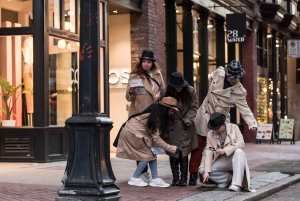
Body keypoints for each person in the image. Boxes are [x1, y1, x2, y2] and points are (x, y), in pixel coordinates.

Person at [190, 60, 257, 185]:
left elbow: (245, 109)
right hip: (205, 114)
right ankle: (193, 174)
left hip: (220, 121)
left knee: (219, 148)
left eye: (236, 77)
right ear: (226, 73)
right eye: (231, 76)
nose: (233, 79)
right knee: (198, 146)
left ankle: (218, 175)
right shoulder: (219, 73)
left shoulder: (239, 91)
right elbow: (211, 77)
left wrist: (251, 123)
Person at [116, 97, 181, 188]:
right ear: (166, 109)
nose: (172, 113)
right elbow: (156, 139)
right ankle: (134, 177)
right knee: (146, 156)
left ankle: (155, 179)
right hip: (132, 134)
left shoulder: (155, 113)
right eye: (172, 110)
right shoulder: (156, 118)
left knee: (152, 154)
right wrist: (172, 148)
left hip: (133, 133)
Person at [125, 50, 165, 183]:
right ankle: (142, 173)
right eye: (144, 62)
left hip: (154, 113)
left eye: (148, 62)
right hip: (139, 113)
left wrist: (160, 95)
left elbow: (164, 90)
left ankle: (150, 175)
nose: (146, 64)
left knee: (152, 143)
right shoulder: (135, 76)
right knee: (141, 144)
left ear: (152, 63)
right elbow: (128, 98)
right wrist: (130, 91)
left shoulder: (158, 74)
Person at [199, 112, 254, 192]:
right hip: (222, 160)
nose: (216, 130)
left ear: (223, 124)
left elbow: (241, 143)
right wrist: (206, 171)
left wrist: (225, 150)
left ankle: (236, 184)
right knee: (202, 170)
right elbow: (209, 151)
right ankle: (225, 179)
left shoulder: (234, 128)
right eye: (214, 128)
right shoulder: (210, 134)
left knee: (239, 151)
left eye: (217, 128)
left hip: (235, 158)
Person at [161, 72, 198, 186]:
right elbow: (160, 109)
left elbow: (194, 107)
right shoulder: (164, 92)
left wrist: (188, 120)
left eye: (180, 86)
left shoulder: (190, 91)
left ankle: (183, 179)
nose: (178, 88)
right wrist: (168, 112)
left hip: (185, 125)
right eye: (176, 86)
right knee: (173, 151)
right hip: (171, 125)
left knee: (184, 151)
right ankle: (175, 178)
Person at [22, 36, 34, 126]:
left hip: (29, 67)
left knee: (29, 96)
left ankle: (30, 123)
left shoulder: (28, 41)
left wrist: (25, 72)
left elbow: (26, 59)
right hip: (34, 67)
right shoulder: (38, 40)